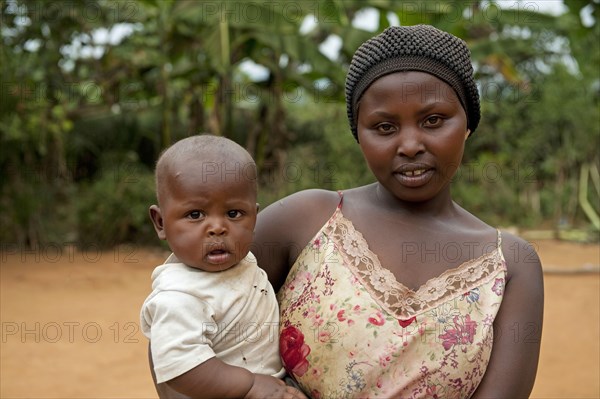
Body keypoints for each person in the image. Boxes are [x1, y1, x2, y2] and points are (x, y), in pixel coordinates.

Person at [254, 25, 544, 398]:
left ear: (468, 124)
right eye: (384, 127)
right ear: (359, 134)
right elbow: (185, 311)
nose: (409, 145)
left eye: (433, 120)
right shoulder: (306, 220)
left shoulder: (510, 265)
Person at [140, 135, 307, 398]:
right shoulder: (179, 297)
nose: (218, 228)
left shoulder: (244, 263)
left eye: (233, 214)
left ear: (254, 217)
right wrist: (251, 386)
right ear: (160, 223)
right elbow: (181, 368)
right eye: (195, 215)